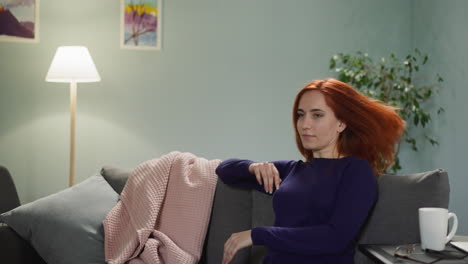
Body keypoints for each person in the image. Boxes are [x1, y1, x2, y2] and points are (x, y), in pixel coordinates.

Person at [215, 78, 405, 264]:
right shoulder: (292, 170)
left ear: (342, 123)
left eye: (317, 115)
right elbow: (224, 170)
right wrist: (252, 166)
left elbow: (334, 239)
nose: (304, 124)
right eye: (300, 114)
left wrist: (258, 235)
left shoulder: (356, 171)